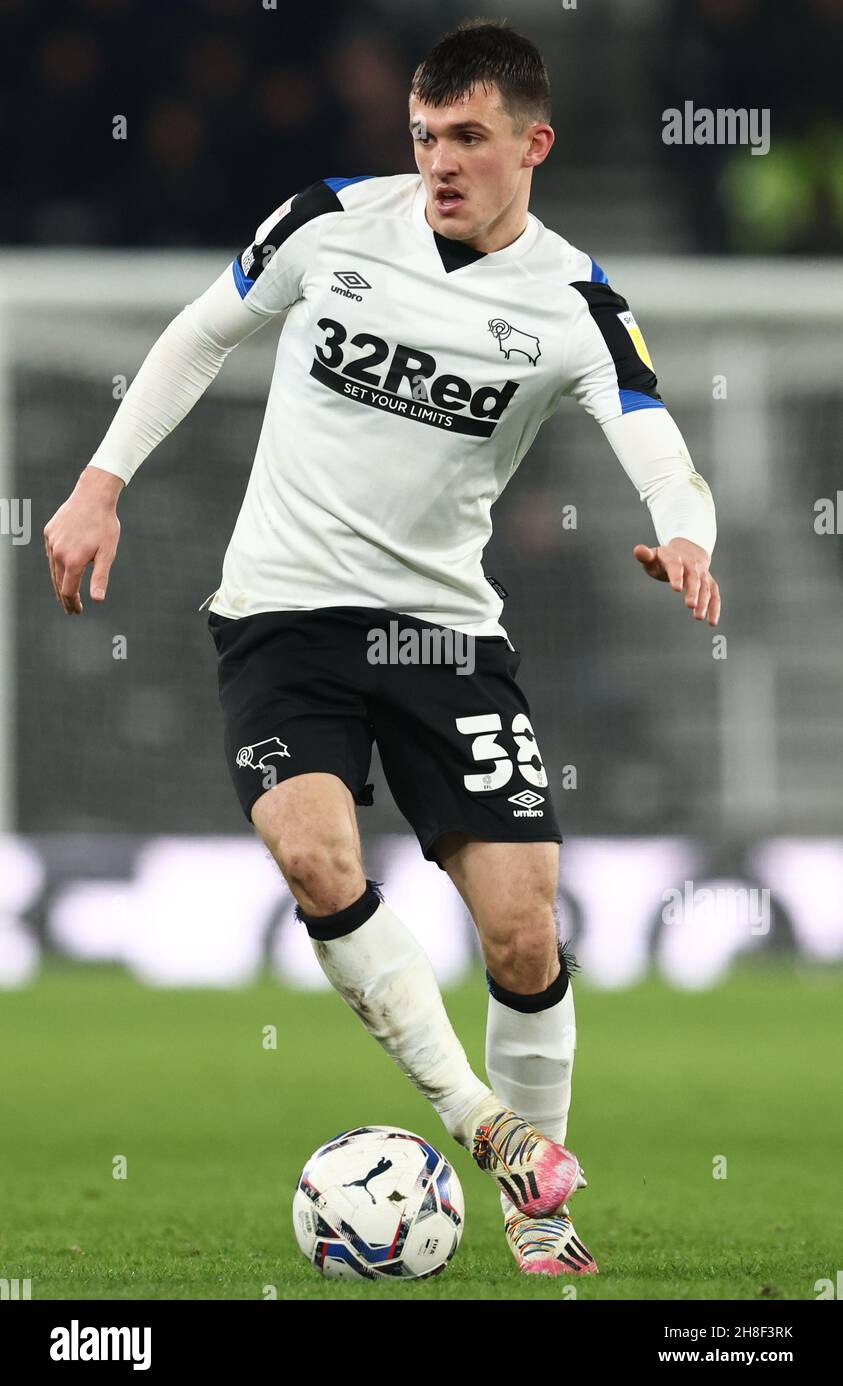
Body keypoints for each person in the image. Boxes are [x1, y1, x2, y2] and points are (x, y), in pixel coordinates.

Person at [44, 19, 719, 1278]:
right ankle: (487, 1126)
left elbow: (655, 440)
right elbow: (200, 333)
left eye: (468, 137)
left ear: (535, 143)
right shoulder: (332, 222)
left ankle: (542, 1210)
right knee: (311, 851)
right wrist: (100, 483)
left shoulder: (574, 302)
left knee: (523, 930)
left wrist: (686, 535)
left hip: (443, 633)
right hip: (284, 610)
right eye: (425, 136)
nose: (441, 162)